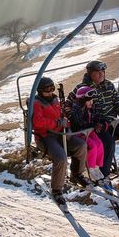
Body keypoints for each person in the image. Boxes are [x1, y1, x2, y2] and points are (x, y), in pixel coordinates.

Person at [65, 60, 119, 182]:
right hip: (96, 125)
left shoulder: (108, 85)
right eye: (97, 72)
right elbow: (68, 104)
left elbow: (117, 103)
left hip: (111, 122)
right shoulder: (82, 89)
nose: (101, 75)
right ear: (90, 74)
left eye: (103, 72)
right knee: (108, 142)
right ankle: (103, 175)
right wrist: (73, 116)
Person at [32, 76, 89, 206]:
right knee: (61, 157)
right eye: (47, 90)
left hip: (60, 133)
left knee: (81, 145)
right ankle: (57, 189)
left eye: (52, 88)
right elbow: (37, 122)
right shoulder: (36, 103)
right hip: (46, 136)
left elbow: (62, 115)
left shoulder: (55, 99)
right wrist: (56, 123)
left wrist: (67, 126)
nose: (50, 92)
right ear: (40, 90)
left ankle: (77, 174)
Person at [69, 86, 108, 185]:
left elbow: (96, 118)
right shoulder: (76, 110)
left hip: (89, 132)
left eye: (92, 100)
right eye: (88, 100)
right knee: (92, 147)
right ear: (82, 100)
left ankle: (96, 167)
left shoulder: (90, 108)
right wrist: (93, 125)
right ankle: (89, 169)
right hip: (80, 134)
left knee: (100, 144)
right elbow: (79, 124)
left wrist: (99, 123)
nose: (91, 102)